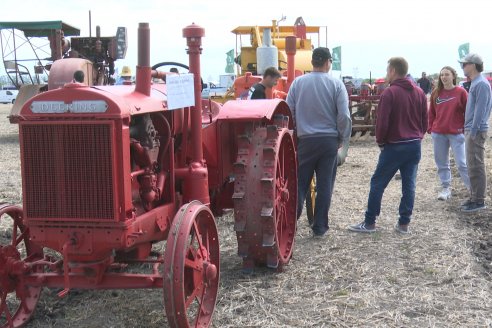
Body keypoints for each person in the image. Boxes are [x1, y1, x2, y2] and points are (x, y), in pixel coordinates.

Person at [348, 57, 427, 234]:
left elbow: (382, 123)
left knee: (378, 183)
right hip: (414, 144)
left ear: (392, 71)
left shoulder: (389, 93)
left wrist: (381, 142)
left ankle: (369, 222)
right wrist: (418, 136)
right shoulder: (419, 92)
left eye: (387, 70)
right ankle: (404, 224)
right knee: (409, 185)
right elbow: (424, 120)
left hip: (394, 145)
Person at [286, 47, 352, 238]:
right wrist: (342, 137)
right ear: (328, 62)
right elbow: (344, 116)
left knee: (300, 184)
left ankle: (290, 223)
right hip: (328, 141)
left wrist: (296, 132)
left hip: (305, 140)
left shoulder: (297, 83)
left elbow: (289, 111)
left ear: (313, 62)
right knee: (324, 186)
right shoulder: (336, 84)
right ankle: (320, 227)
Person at [428, 66, 470, 200]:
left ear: (453, 76)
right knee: (442, 163)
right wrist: (430, 127)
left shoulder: (461, 92)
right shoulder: (436, 93)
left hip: (456, 133)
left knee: (462, 163)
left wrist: (465, 128)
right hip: (438, 133)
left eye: (447, 74)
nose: (444, 77)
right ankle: (446, 189)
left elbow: (468, 112)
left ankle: (472, 190)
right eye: (442, 75)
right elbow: (431, 113)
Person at [458, 53, 492, 212]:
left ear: (474, 65)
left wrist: (472, 131)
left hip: (476, 131)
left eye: (464, 64)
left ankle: (479, 200)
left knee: (476, 165)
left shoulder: (481, 84)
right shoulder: (477, 83)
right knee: (472, 164)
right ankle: (474, 197)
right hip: (473, 129)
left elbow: (481, 110)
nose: (463, 67)